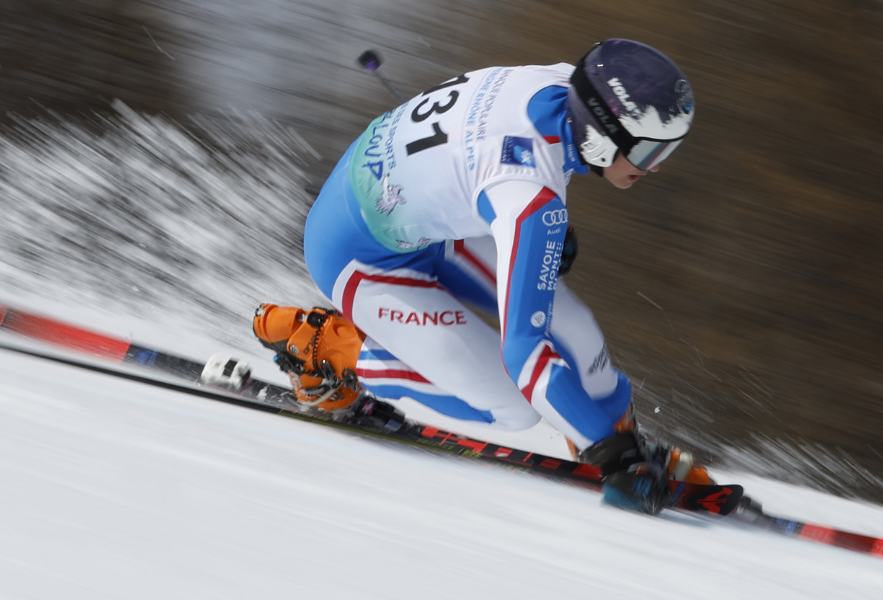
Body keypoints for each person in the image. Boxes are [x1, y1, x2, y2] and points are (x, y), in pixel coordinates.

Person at [265, 39, 705, 514]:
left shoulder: (566, 84)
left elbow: (518, 154)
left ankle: (613, 436)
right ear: (600, 137)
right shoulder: (529, 197)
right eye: (646, 152)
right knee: (514, 407)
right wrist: (614, 462)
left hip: (421, 213)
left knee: (576, 328)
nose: (655, 167)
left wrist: (612, 443)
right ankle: (329, 349)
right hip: (355, 255)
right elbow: (525, 351)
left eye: (669, 150)